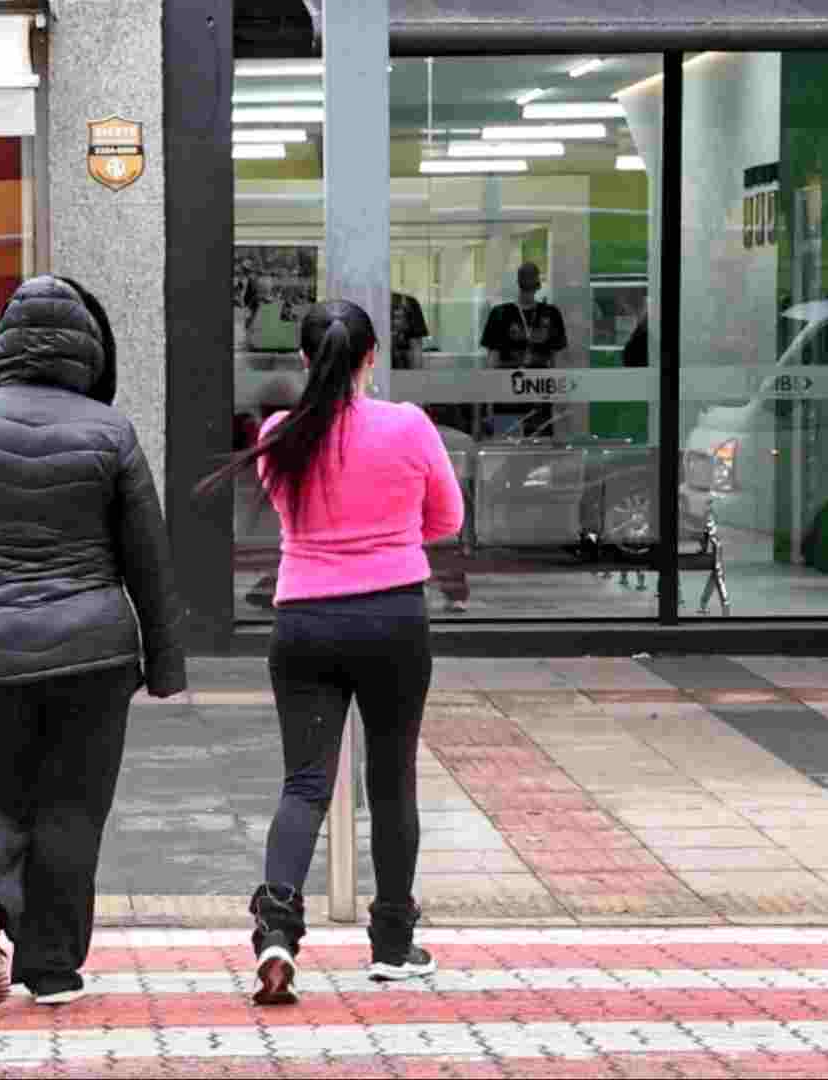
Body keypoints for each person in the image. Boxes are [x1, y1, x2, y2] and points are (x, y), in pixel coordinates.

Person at [0, 275, 188, 1009]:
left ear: (0, 344)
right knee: (71, 806)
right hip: (93, 656)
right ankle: (54, 967)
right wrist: (165, 664)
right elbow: (148, 558)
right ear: (91, 352)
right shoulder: (111, 431)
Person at [197, 299, 464, 1005]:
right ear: (372, 357)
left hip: (305, 623)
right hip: (394, 620)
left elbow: (293, 511)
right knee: (391, 780)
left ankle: (278, 929)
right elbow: (448, 518)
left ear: (307, 361)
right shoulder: (409, 426)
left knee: (305, 785)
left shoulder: (281, 434)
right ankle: (394, 946)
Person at [480, 262, 568, 438]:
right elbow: (492, 360)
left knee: (539, 447)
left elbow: (557, 360)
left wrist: (560, 399)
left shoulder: (550, 314)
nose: (528, 283)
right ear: (519, 281)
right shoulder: (501, 314)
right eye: (525, 278)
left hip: (539, 390)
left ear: (538, 283)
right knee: (506, 445)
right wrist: (487, 400)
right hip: (507, 390)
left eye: (531, 278)